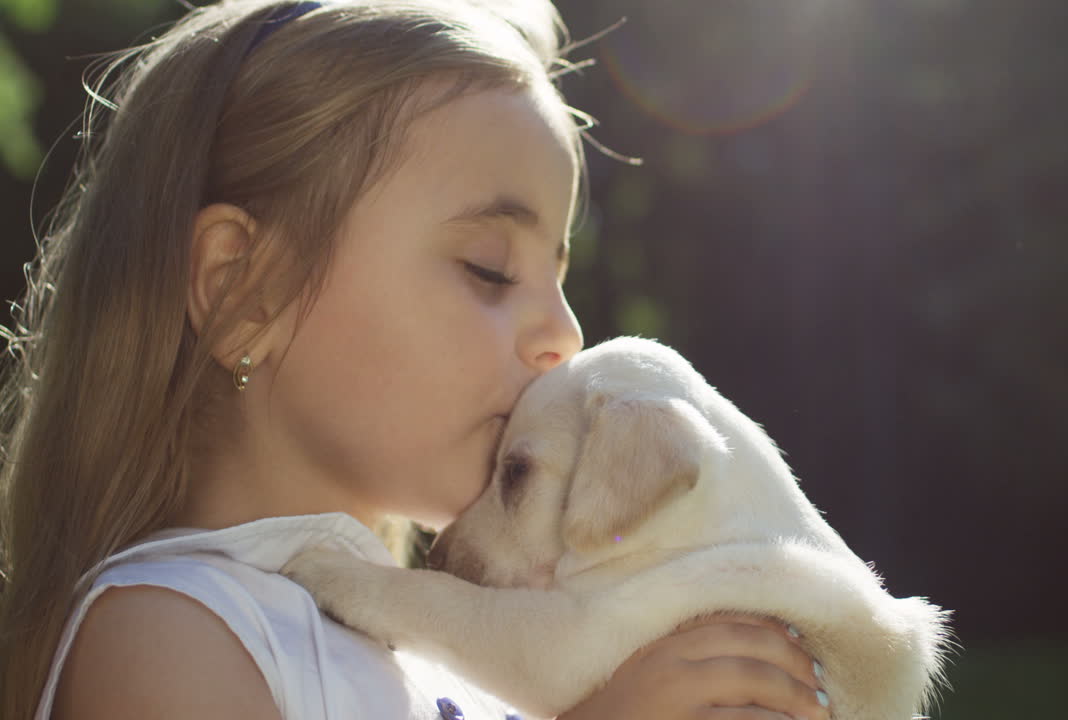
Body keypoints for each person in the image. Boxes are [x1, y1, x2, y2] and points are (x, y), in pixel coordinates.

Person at [0, 1, 830, 719]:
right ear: (241, 292)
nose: (565, 335)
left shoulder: (453, 651)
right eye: (489, 269)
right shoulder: (168, 634)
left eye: (559, 275)